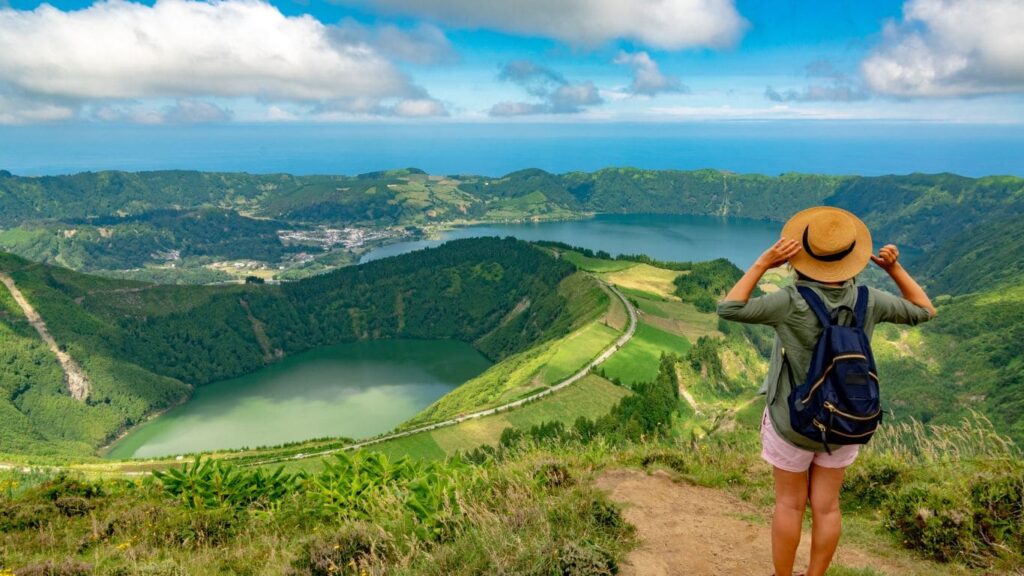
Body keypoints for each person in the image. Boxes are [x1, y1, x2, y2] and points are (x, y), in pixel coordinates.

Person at [717, 206, 936, 576]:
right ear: (850, 258)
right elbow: (924, 310)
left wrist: (761, 264)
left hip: (794, 422)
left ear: (799, 255)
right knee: (828, 507)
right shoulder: (869, 299)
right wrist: (894, 269)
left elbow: (730, 307)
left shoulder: (789, 301)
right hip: (846, 422)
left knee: (789, 504)